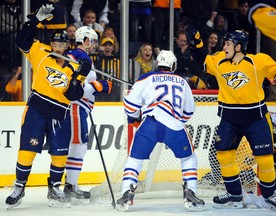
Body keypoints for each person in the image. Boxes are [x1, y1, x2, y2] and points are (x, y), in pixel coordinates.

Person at [5, 4, 91, 209]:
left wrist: (80, 77)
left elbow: (73, 95)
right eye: (55, 43)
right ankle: (19, 187)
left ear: (67, 46)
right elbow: (22, 40)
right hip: (37, 108)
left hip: (60, 113)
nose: (57, 47)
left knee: (60, 154)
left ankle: (54, 188)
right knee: (27, 150)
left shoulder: (72, 64)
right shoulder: (40, 52)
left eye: (61, 45)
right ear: (51, 44)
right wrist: (34, 21)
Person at [203, 29, 276, 211]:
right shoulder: (219, 60)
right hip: (229, 119)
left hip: (255, 118)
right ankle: (234, 194)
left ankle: (268, 195)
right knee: (224, 156)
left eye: (227, 43)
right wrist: (198, 45)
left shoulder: (258, 61)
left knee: (265, 159)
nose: (224, 46)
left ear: (238, 46)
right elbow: (203, 61)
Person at [116, 50, 205, 212]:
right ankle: (190, 192)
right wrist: (177, 121)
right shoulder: (182, 81)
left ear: (158, 63)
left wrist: (135, 118)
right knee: (189, 158)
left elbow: (129, 105)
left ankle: (126, 192)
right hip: (175, 125)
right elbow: (189, 111)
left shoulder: (146, 78)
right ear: (173, 65)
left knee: (134, 159)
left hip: (150, 124)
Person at [63, 26, 112, 204]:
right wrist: (99, 87)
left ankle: (70, 185)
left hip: (80, 108)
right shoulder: (79, 58)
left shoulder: (75, 57)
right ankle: (70, 187)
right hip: (76, 107)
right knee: (78, 147)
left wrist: (97, 86)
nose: (93, 45)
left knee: (76, 146)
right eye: (91, 41)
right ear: (85, 40)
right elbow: (74, 88)